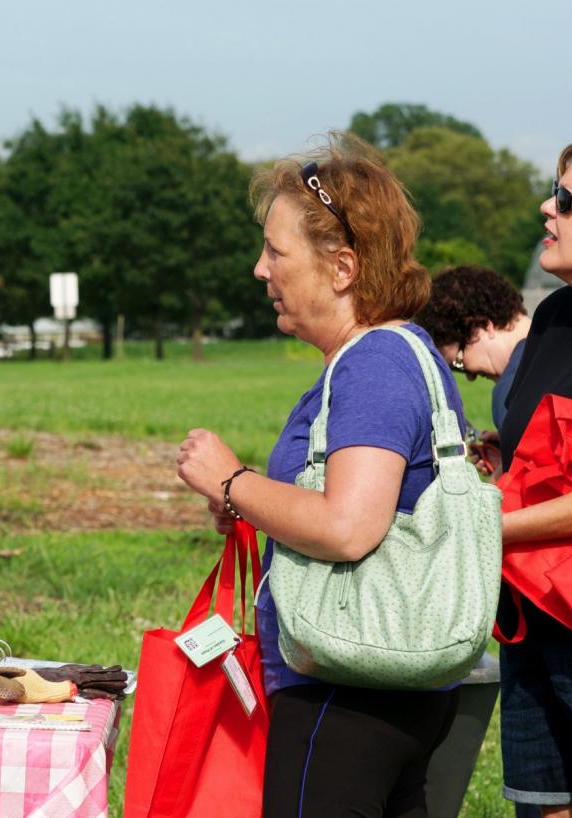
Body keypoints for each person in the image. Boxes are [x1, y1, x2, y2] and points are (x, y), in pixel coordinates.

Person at [176, 133, 464, 818]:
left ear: (341, 267)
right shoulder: (398, 353)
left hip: (347, 690)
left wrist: (230, 480)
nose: (259, 269)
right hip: (386, 693)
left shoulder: (372, 365)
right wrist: (259, 503)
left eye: (276, 252)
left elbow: (347, 526)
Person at [494, 134, 572, 818]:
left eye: (566, 199)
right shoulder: (555, 317)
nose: (546, 207)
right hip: (531, 607)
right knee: (545, 802)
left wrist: (490, 528)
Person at [414, 265, 532, 476]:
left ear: (483, 326)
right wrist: (510, 448)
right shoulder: (568, 336)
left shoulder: (512, 386)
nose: (469, 375)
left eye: (458, 362)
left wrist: (505, 476)